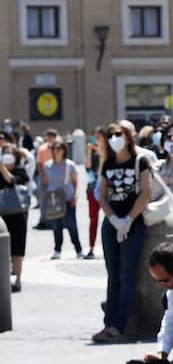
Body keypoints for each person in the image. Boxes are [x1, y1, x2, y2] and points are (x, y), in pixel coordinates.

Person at [91, 122, 153, 342]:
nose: (114, 138)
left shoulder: (140, 161)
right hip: (112, 224)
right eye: (110, 135)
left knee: (128, 275)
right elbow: (103, 196)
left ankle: (119, 325)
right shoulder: (107, 163)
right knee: (113, 275)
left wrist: (128, 220)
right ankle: (108, 323)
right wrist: (115, 220)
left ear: (128, 137)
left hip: (133, 224)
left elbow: (146, 192)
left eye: (118, 134)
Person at [40, 140, 83, 259]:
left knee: (72, 226)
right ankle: (57, 250)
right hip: (53, 199)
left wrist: (75, 197)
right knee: (56, 226)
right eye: (54, 148)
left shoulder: (69, 165)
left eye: (58, 148)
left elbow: (75, 182)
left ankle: (79, 250)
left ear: (64, 150)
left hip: (68, 199)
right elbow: (45, 182)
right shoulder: (48, 165)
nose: (56, 151)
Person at [0, 136, 32, 293]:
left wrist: (2, 168)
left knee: (17, 250)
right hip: (2, 216)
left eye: (9, 152)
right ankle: (4, 280)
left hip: (18, 215)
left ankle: (18, 280)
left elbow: (13, 181)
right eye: (4, 152)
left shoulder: (21, 171)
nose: (6, 154)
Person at [84, 128, 105, 260]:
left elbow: (104, 167)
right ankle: (91, 248)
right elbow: (87, 167)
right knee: (93, 219)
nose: (96, 139)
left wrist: (101, 151)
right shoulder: (92, 151)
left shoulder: (110, 151)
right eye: (95, 136)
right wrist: (89, 152)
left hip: (106, 189)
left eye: (99, 137)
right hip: (92, 188)